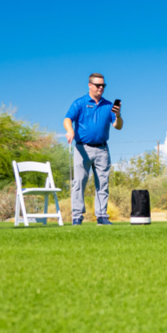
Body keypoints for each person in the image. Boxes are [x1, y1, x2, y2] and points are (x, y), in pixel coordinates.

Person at [64, 73, 123, 225]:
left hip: (102, 150)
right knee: (79, 182)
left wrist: (117, 115)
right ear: (90, 85)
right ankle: (77, 216)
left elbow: (118, 126)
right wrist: (70, 130)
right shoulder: (80, 103)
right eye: (98, 85)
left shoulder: (109, 105)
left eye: (103, 85)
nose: (101, 88)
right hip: (82, 148)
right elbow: (67, 119)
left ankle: (102, 216)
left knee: (103, 184)